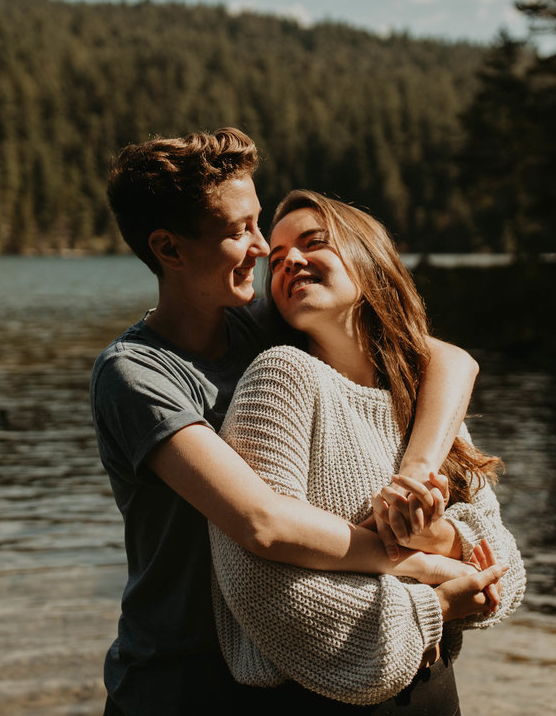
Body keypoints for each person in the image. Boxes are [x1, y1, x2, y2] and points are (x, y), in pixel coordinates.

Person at [90, 128, 503, 715]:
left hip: (282, 677)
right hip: (178, 682)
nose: (262, 249)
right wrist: (428, 563)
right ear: (169, 250)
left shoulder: (261, 323)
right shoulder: (136, 375)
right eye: (239, 231)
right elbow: (262, 522)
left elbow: (448, 359)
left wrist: (414, 472)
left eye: (258, 222)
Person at [208, 191, 525, 713]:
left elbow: (505, 567)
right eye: (279, 260)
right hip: (314, 696)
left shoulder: (422, 397)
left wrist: (436, 536)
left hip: (436, 690)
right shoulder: (283, 377)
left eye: (314, 244)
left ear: (369, 260)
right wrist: (435, 602)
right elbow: (255, 585)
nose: (291, 262)